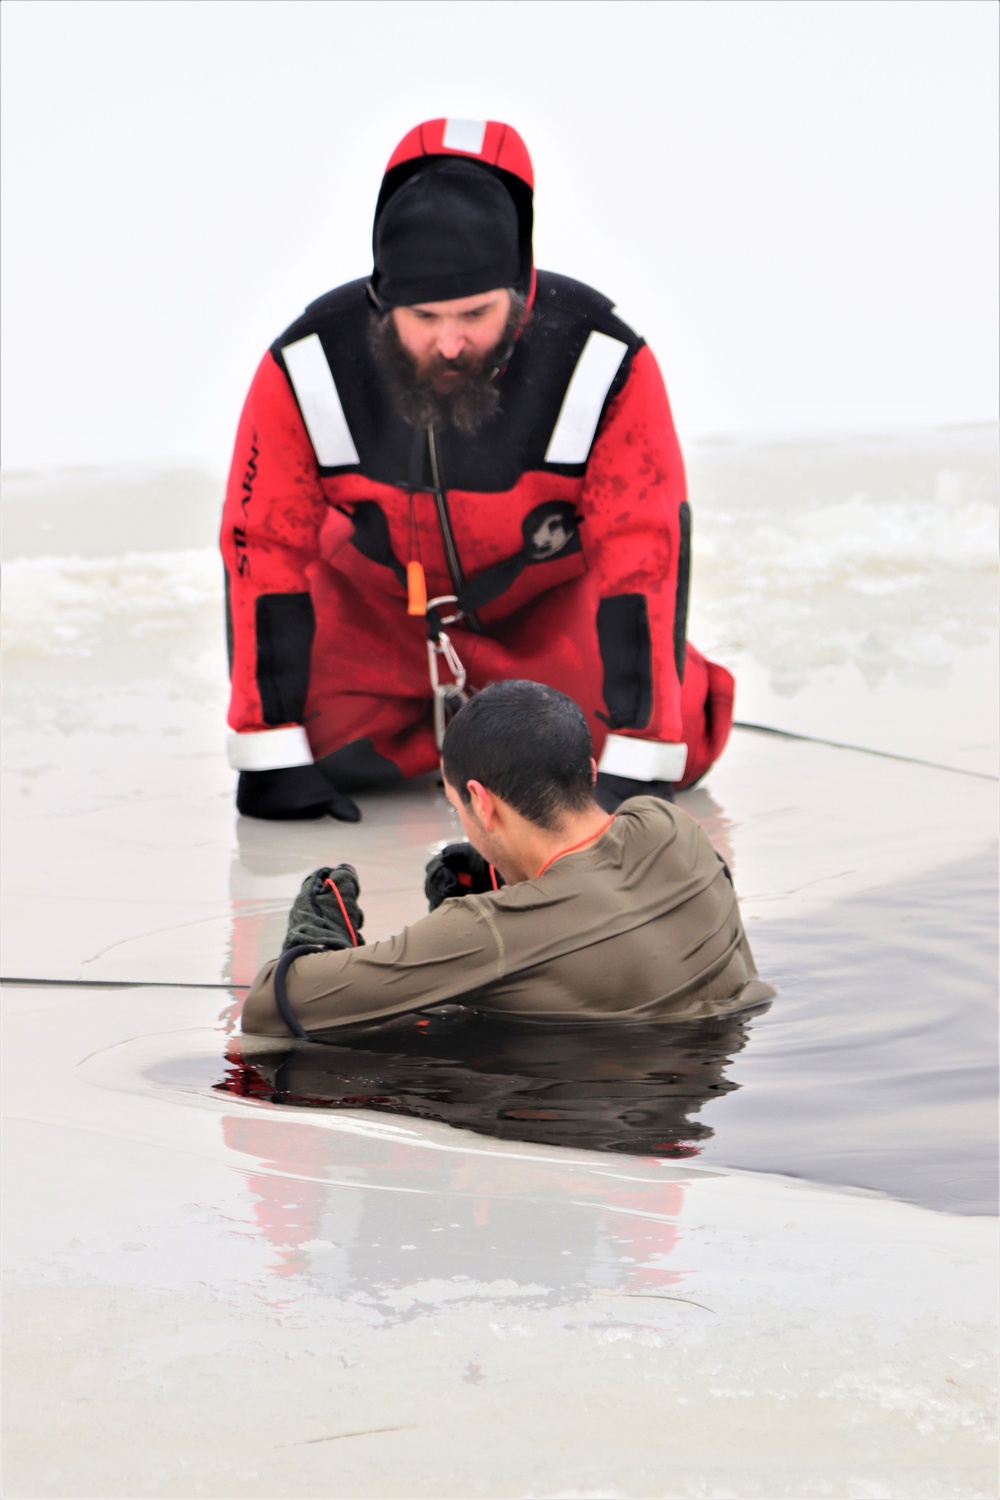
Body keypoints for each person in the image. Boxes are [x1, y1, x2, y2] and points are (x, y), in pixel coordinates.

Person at [221, 118, 736, 824]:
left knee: (652, 738)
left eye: (475, 312)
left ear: (519, 286)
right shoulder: (307, 364)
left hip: (544, 618)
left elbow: (644, 551)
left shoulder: (602, 361)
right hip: (384, 623)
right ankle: (457, 738)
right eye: (423, 315)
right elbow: (261, 543)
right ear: (383, 298)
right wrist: (268, 747)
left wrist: (643, 749)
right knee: (313, 736)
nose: (450, 342)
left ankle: (502, 734)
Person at [240, 681, 772, 1038]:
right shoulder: (668, 826)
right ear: (588, 769)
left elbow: (269, 1009)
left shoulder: (485, 932)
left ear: (482, 801)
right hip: (716, 1062)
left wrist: (314, 942)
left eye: (458, 809)